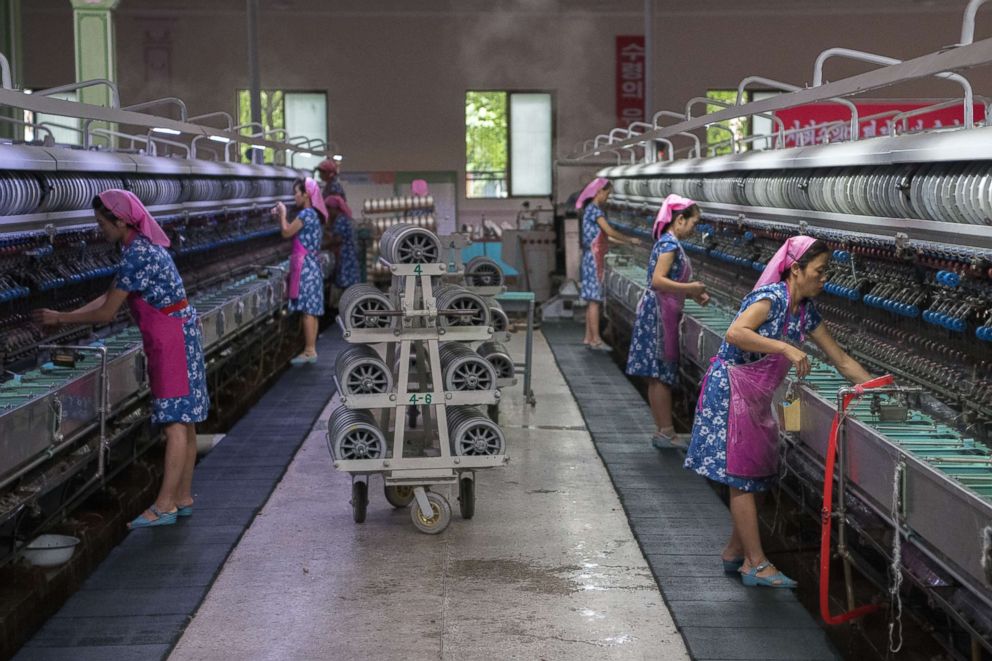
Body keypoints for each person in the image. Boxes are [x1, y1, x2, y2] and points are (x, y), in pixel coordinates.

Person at [684, 236, 872, 588]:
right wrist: (784, 347)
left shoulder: (805, 311)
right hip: (731, 391)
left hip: (753, 396)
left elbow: (841, 359)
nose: (823, 278)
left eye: (826, 271)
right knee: (740, 474)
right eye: (819, 271)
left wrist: (882, 390)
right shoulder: (769, 299)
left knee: (754, 471)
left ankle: (733, 551)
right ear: (796, 269)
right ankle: (755, 564)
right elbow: (736, 332)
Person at [33, 190, 209, 529]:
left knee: (174, 423)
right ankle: (182, 497)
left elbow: (107, 312)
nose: (100, 230)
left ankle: (164, 506)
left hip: (170, 341)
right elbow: (111, 295)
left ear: (121, 220)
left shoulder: (137, 254)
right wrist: (63, 313)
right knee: (185, 420)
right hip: (178, 334)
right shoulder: (140, 247)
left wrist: (60, 320)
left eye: (102, 223)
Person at [625, 195, 709, 449]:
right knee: (660, 374)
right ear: (680, 220)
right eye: (693, 223)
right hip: (660, 314)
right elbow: (658, 281)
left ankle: (664, 430)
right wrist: (691, 287)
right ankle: (666, 433)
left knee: (655, 374)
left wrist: (693, 292)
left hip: (661, 310)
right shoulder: (669, 245)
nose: (694, 230)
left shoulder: (667, 242)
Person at [276, 178, 328, 365]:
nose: (294, 196)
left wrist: (282, 214)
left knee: (306, 309)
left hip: (305, 267)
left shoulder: (306, 214)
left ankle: (309, 350)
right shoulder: (314, 214)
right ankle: (311, 348)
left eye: (296, 193)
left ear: (306, 194)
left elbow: (286, 232)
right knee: (312, 310)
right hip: (313, 264)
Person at [576, 178, 631, 350]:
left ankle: (588, 337)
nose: (608, 197)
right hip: (593, 260)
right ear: (599, 192)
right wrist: (628, 238)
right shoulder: (595, 211)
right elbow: (608, 231)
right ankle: (597, 340)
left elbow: (604, 237)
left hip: (589, 257)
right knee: (595, 301)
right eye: (607, 194)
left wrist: (629, 243)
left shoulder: (589, 210)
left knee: (592, 300)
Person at [324, 194, 361, 289]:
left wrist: (322, 246)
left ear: (335, 208)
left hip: (346, 255)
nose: (328, 211)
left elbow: (337, 239)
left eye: (329, 209)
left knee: (347, 282)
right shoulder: (342, 219)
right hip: (348, 254)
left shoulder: (341, 220)